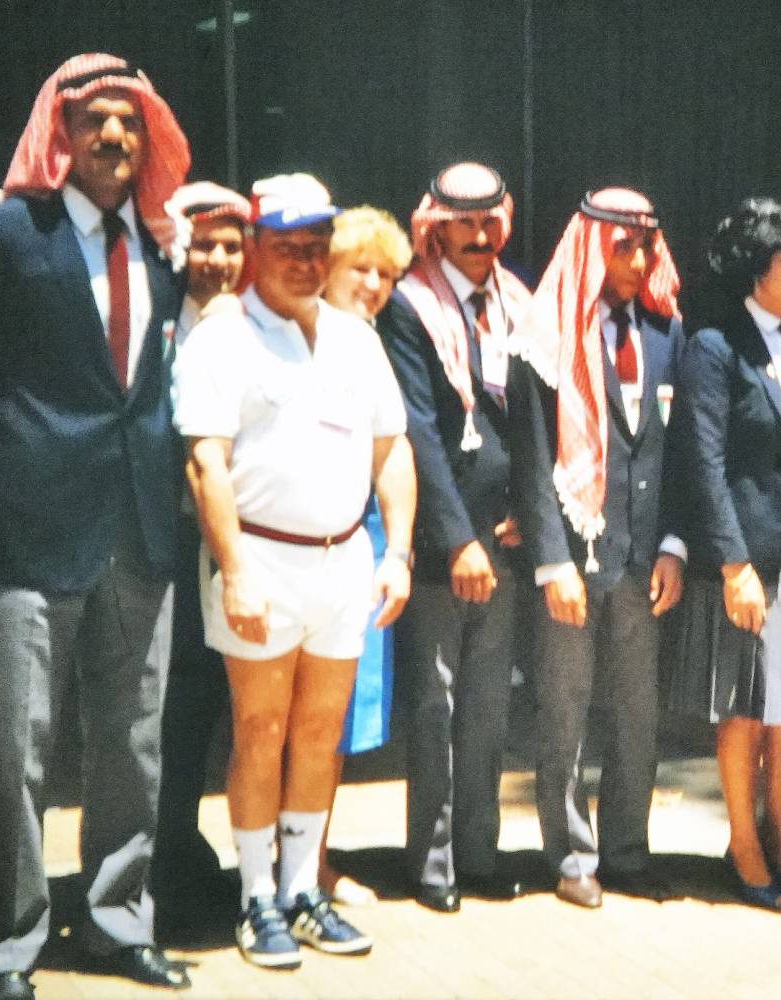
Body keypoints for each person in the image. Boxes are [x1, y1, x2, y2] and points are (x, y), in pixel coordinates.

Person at [0, 53, 193, 1000]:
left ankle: (119, 923)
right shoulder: (2, 236)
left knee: (132, 742)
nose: (114, 137)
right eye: (94, 120)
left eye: (130, 122)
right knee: (15, 745)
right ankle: (1, 942)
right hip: (28, 531)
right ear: (61, 132)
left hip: (137, 532)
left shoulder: (164, 247)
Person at [172, 173, 416, 968]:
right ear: (255, 249)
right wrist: (236, 570)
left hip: (343, 561)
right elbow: (206, 464)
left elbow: (392, 449)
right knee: (261, 731)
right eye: (287, 247)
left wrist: (399, 551)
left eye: (317, 247)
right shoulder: (222, 338)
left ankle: (302, 890)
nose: (305, 262)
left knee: (319, 733)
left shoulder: (355, 339)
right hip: (262, 560)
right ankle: (256, 898)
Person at [664, 197, 781, 911]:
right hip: (749, 546)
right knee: (745, 699)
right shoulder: (717, 347)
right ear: (756, 268)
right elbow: (704, 463)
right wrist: (732, 563)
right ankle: (743, 842)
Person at [507, 188, 686, 908]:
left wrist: (674, 545)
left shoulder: (667, 332)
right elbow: (531, 461)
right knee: (565, 709)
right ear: (589, 250)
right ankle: (572, 854)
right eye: (623, 248)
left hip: (644, 560)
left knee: (638, 712)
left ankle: (627, 850)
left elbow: (676, 450)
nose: (639, 262)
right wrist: (552, 562)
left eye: (647, 247)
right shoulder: (544, 337)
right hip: (574, 559)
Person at [377, 162, 533, 913]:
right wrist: (457, 539)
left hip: (506, 541)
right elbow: (417, 432)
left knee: (488, 708)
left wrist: (528, 512)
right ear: (435, 228)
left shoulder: (518, 302)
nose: (479, 237)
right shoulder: (408, 306)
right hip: (448, 548)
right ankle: (433, 864)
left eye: (489, 222)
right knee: (435, 708)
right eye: (463, 224)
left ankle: (478, 852)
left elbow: (534, 422)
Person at [151, 181, 251, 917]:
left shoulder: (253, 325)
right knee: (166, 701)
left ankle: (187, 849)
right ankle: (159, 858)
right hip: (159, 536)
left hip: (231, 539)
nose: (217, 260)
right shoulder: (155, 320)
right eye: (205, 245)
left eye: (231, 246)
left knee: (210, 699)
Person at [314, 205, 413, 905]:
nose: (374, 285)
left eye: (387, 274)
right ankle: (276, 871)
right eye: (361, 269)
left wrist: (396, 551)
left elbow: (392, 451)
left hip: (361, 544)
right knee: (284, 721)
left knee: (335, 720)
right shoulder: (297, 334)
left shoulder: (370, 342)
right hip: (294, 549)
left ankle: (311, 861)